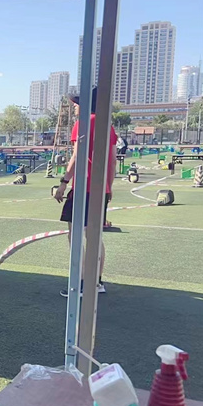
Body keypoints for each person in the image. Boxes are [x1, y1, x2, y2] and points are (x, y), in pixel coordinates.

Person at [53, 87, 117, 297]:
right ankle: (96, 282)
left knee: (75, 236)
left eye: (77, 103)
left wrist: (63, 182)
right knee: (94, 237)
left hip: (83, 188)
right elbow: (113, 160)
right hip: (100, 189)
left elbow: (76, 157)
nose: (74, 106)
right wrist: (108, 187)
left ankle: (80, 283)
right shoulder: (107, 126)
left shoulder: (82, 124)